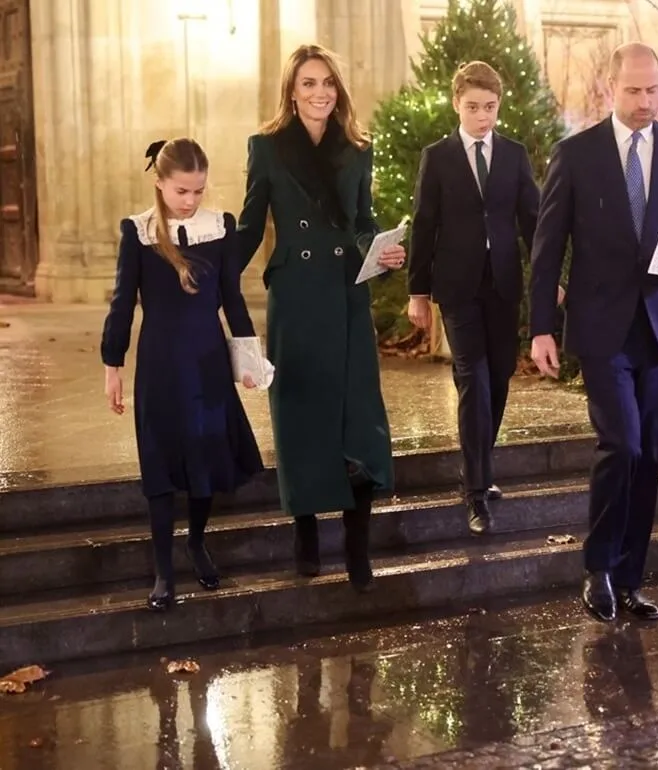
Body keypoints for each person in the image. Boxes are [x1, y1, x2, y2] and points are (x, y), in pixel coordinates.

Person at [528, 43, 658, 622]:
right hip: (600, 327)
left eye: (653, 89)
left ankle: (631, 578)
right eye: (633, 90)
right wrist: (540, 329)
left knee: (650, 455)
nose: (645, 101)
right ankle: (598, 567)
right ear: (611, 88)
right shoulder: (575, 155)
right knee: (623, 444)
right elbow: (546, 248)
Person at [237, 44, 406, 592]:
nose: (320, 93)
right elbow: (249, 225)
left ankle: (357, 547)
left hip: (345, 294)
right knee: (302, 417)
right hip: (296, 295)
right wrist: (204, 271)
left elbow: (362, 221)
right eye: (309, 83)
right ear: (292, 90)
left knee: (359, 415)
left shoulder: (358, 148)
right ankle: (306, 534)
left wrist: (380, 251)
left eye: (328, 83)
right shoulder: (266, 148)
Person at [102, 138, 264, 612]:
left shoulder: (220, 228)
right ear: (160, 183)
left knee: (206, 456)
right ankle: (163, 570)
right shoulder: (139, 232)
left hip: (207, 360)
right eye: (181, 192)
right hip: (159, 362)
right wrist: (112, 365)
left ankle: (195, 541)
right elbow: (121, 304)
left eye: (197, 191)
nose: (190, 201)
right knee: (160, 459)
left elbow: (232, 299)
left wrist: (249, 362)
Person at [407, 60, 540, 535]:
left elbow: (533, 220)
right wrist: (418, 292)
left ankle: (478, 461)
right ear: (456, 104)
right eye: (473, 107)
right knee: (474, 378)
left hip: (503, 283)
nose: (483, 116)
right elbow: (424, 224)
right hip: (457, 286)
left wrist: (550, 277)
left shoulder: (514, 154)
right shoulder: (438, 157)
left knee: (500, 375)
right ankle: (476, 492)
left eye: (490, 107)